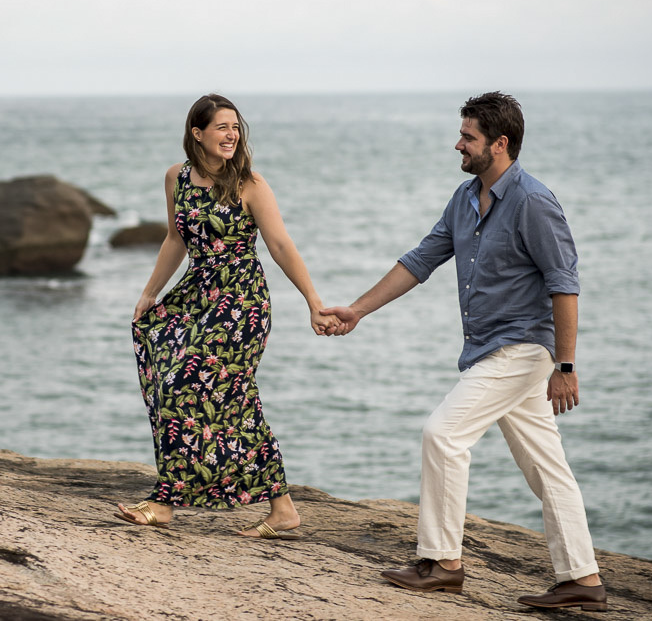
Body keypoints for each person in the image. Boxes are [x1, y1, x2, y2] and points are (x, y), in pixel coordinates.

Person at [321, 92, 607, 611]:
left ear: (499, 144)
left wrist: (566, 365)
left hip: (521, 348)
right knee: (547, 468)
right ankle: (583, 580)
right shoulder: (464, 197)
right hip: (487, 348)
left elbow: (565, 283)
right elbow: (420, 260)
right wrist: (358, 310)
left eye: (468, 137)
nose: (458, 144)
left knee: (444, 433)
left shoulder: (534, 202)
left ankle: (443, 563)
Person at [116, 93, 338, 539]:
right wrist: (149, 293)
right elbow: (175, 240)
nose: (232, 134)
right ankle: (279, 508)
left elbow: (279, 246)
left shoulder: (250, 184)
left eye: (235, 127)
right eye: (222, 127)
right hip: (197, 293)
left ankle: (167, 503)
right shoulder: (175, 177)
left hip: (241, 301)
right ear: (197, 133)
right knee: (185, 386)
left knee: (208, 389)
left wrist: (313, 301)